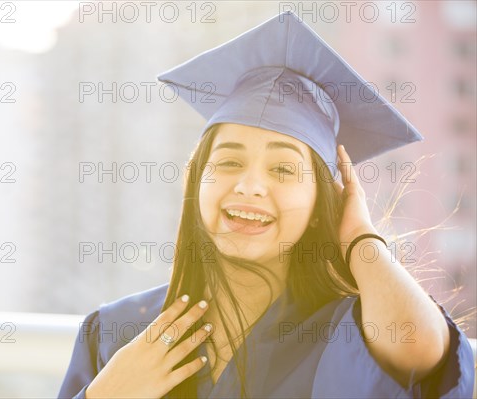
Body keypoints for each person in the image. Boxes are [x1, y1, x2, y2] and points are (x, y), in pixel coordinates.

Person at [58, 11, 475, 399]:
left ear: (320, 203)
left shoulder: (349, 333)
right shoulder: (115, 330)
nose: (250, 185)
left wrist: (359, 238)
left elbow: (423, 353)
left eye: (283, 170)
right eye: (230, 161)